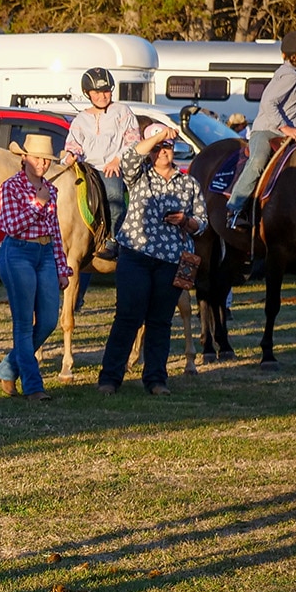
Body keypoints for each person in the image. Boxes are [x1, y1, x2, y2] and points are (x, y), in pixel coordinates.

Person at [97, 123, 205, 396]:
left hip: (170, 258)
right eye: (156, 148)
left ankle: (156, 379)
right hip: (136, 254)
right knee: (127, 317)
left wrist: (186, 221)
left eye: (166, 147)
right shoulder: (139, 175)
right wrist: (159, 135)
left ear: (174, 149)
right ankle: (110, 378)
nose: (161, 152)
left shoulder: (188, 183)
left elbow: (202, 222)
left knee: (160, 321)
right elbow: (130, 157)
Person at [0, 133, 71, 402]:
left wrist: (62, 267)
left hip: (46, 252)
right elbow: (9, 226)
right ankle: (33, 385)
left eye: (47, 160)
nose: (43, 164)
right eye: (38, 158)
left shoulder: (52, 189)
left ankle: (7, 367)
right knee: (24, 324)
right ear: (24, 158)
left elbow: (56, 230)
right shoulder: (10, 188)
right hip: (17, 253)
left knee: (49, 320)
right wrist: (38, 203)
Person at [225, 29, 296, 228]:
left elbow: (293, 108)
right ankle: (234, 208)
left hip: (284, 134)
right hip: (266, 131)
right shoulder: (290, 76)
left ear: (284, 54)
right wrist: (285, 127)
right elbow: (268, 102)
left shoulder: (291, 75)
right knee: (257, 162)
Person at [62, 67, 139, 259]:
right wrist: (71, 155)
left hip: (110, 166)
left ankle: (115, 239)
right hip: (87, 168)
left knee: (113, 195)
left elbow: (133, 140)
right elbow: (74, 144)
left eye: (106, 91)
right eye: (97, 92)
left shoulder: (122, 111)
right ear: (88, 93)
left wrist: (117, 159)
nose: (102, 96)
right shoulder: (81, 119)